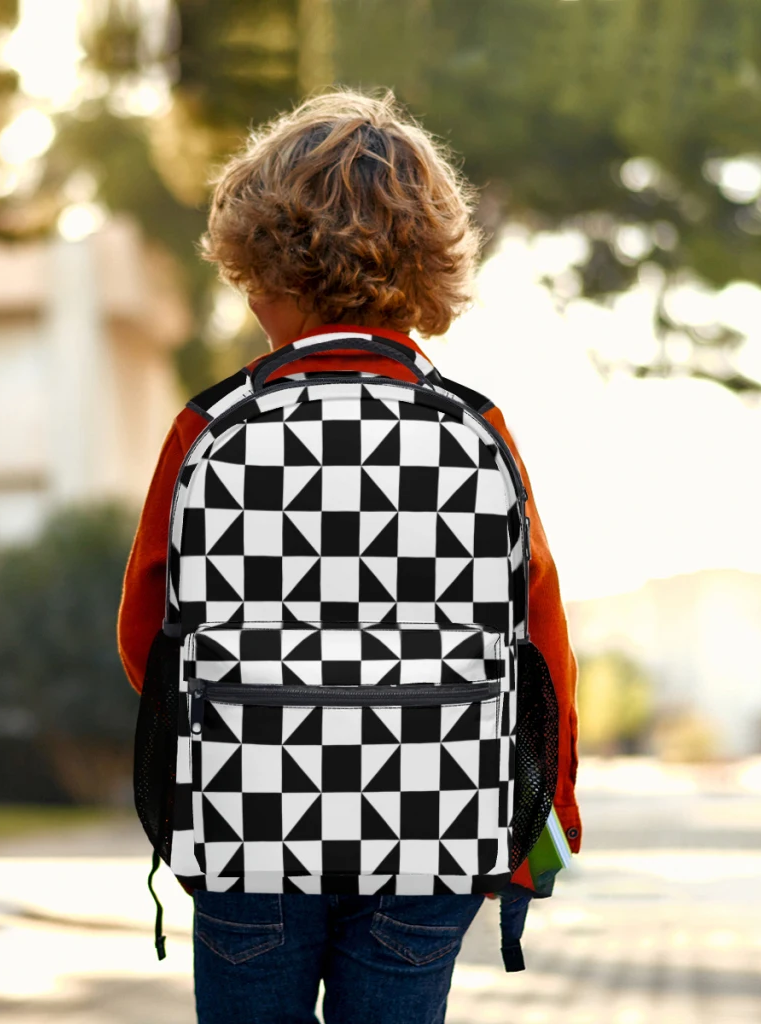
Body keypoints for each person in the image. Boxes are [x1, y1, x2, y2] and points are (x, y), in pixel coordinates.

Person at [118, 89, 580, 1024]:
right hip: (432, 830)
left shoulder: (210, 428)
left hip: (251, 825)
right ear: (431, 271)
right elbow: (539, 640)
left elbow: (146, 637)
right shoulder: (476, 429)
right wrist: (544, 816)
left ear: (259, 270)